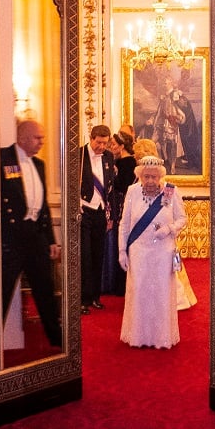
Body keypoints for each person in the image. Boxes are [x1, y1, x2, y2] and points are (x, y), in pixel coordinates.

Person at [0, 119, 63, 347]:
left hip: (36, 237)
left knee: (45, 290)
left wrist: (51, 241)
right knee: (2, 292)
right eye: (38, 138)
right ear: (23, 137)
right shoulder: (2, 158)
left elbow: (44, 205)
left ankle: (56, 339)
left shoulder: (39, 165)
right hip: (12, 239)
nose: (42, 142)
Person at [118, 155, 190, 348]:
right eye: (146, 177)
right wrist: (121, 251)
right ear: (140, 176)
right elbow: (124, 224)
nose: (150, 181)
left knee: (161, 293)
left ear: (161, 177)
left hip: (163, 251)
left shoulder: (170, 192)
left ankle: (161, 338)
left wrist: (169, 229)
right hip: (139, 250)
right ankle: (138, 337)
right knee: (140, 292)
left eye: (154, 177)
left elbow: (182, 218)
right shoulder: (132, 191)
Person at [79, 125, 116, 314]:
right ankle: (83, 300)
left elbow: (111, 189)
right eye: (98, 142)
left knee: (98, 256)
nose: (101, 146)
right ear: (91, 138)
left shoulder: (109, 157)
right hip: (84, 212)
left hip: (101, 213)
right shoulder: (78, 155)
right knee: (85, 257)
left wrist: (111, 216)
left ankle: (94, 297)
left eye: (105, 143)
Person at [101, 130, 138, 296]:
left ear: (122, 146)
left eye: (113, 145)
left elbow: (123, 186)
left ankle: (118, 284)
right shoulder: (119, 161)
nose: (111, 147)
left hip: (121, 206)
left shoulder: (127, 163)